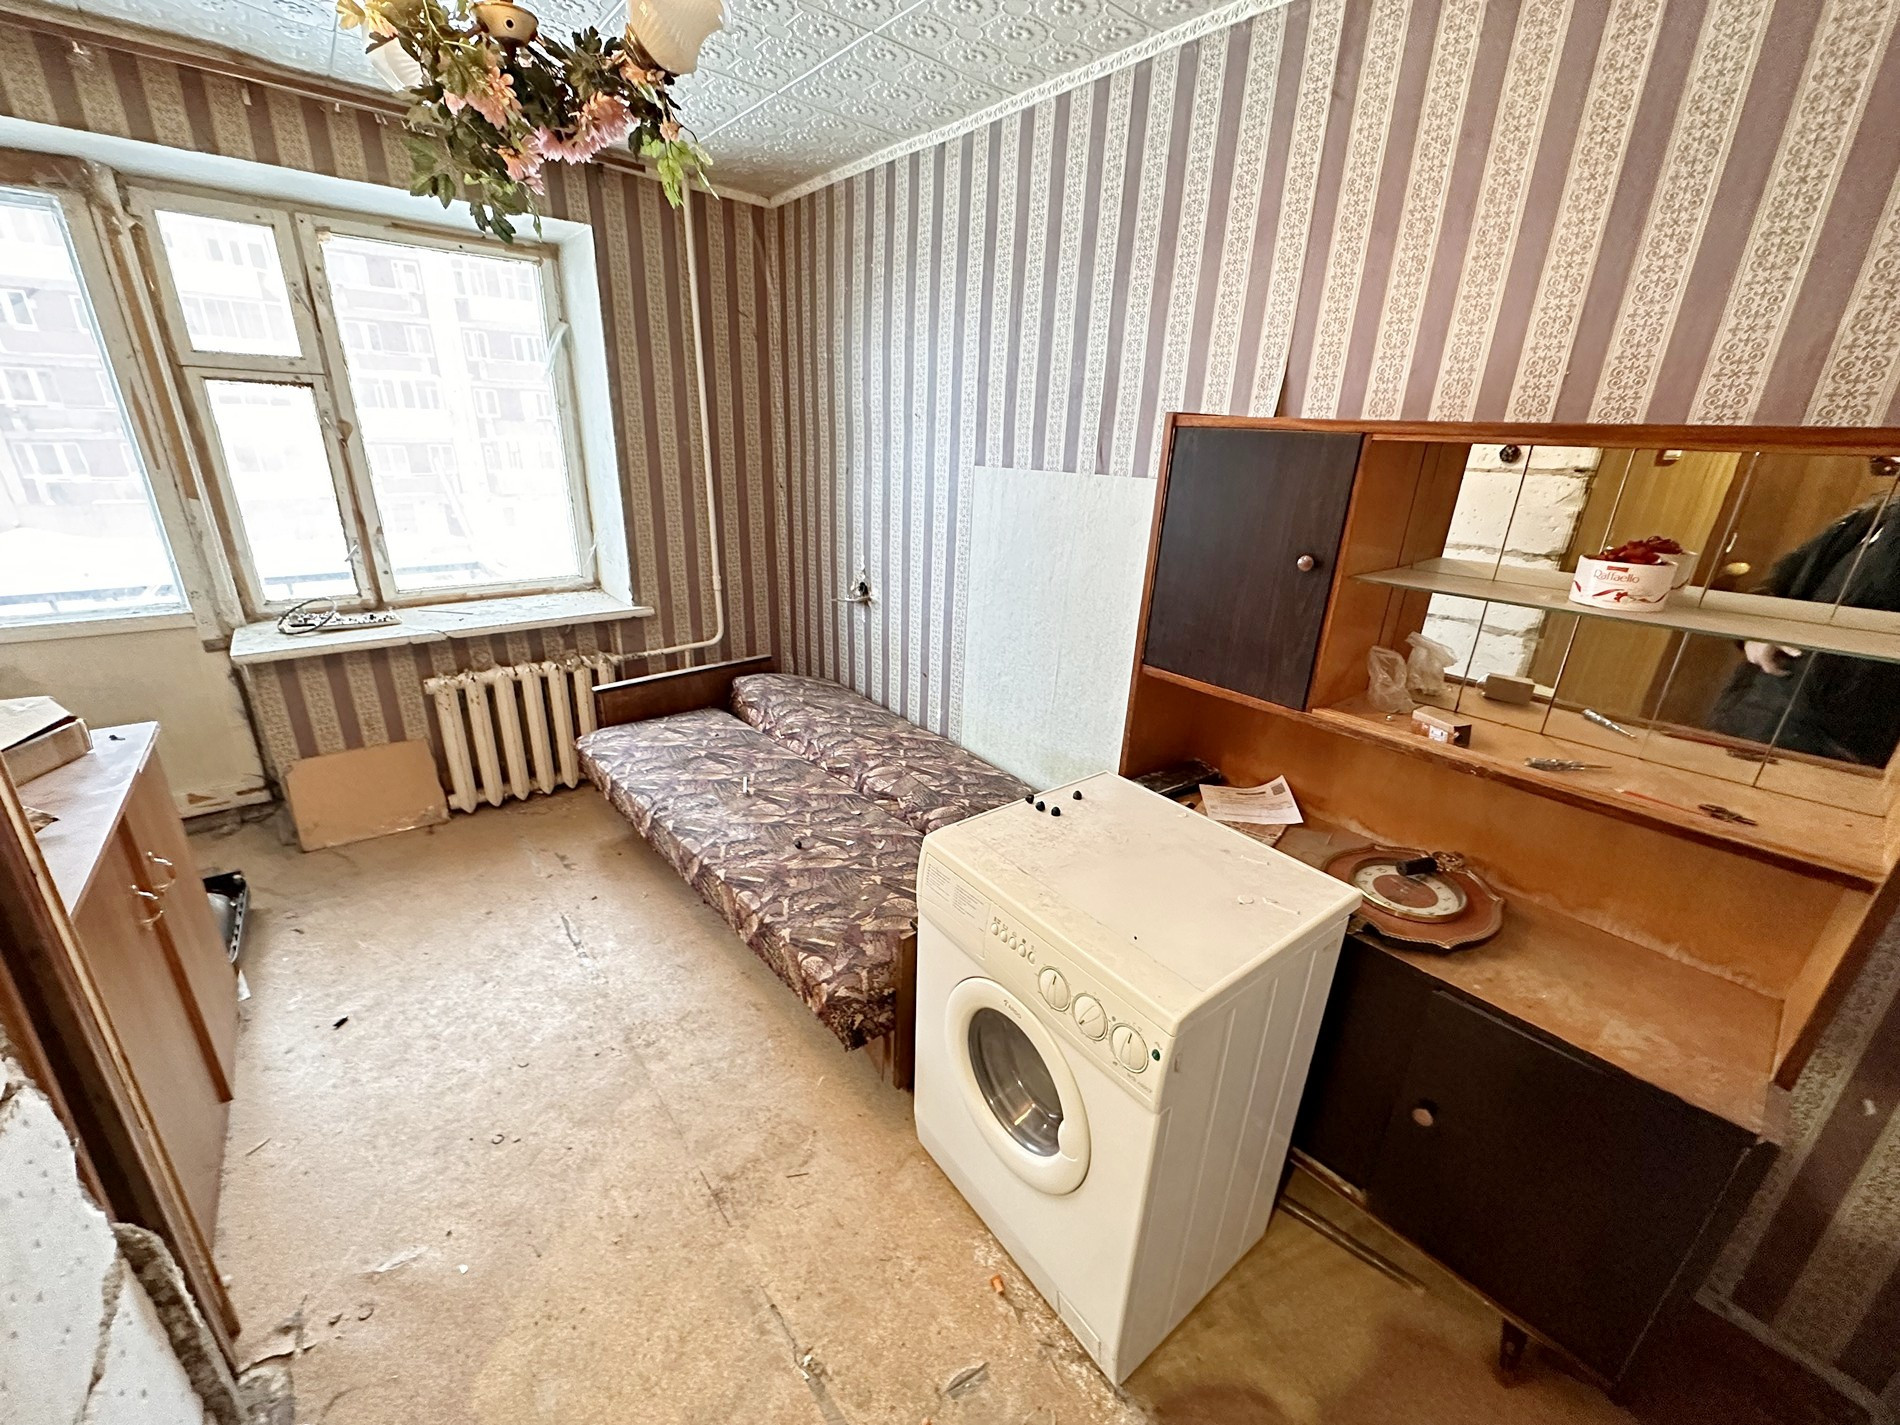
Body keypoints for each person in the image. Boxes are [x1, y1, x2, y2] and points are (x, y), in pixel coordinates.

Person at [1708, 457, 1900, 767]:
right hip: (1755, 703)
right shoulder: (1872, 516)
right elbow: (1779, 581)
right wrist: (1758, 631)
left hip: (1843, 738)